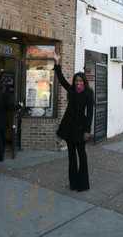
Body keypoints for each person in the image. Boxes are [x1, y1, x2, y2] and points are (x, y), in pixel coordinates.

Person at [54, 52, 94, 191]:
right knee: (71, 157)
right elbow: (62, 80)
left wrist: (87, 131)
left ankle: (83, 184)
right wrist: (57, 63)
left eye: (80, 81)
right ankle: (73, 183)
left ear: (84, 82)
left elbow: (89, 113)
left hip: (81, 128)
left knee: (82, 156)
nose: (78, 83)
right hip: (69, 127)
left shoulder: (89, 93)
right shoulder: (71, 90)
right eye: (76, 81)